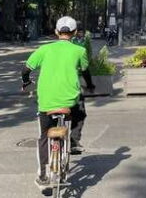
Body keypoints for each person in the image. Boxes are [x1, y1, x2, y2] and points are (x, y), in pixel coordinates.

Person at [21, 16, 95, 189]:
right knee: (79, 111)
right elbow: (85, 72)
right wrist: (90, 85)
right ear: (75, 33)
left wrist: (25, 82)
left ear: (56, 32)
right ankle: (73, 142)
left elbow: (25, 69)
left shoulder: (44, 49)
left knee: (43, 136)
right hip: (69, 101)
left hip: (46, 101)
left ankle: (42, 174)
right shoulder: (80, 51)